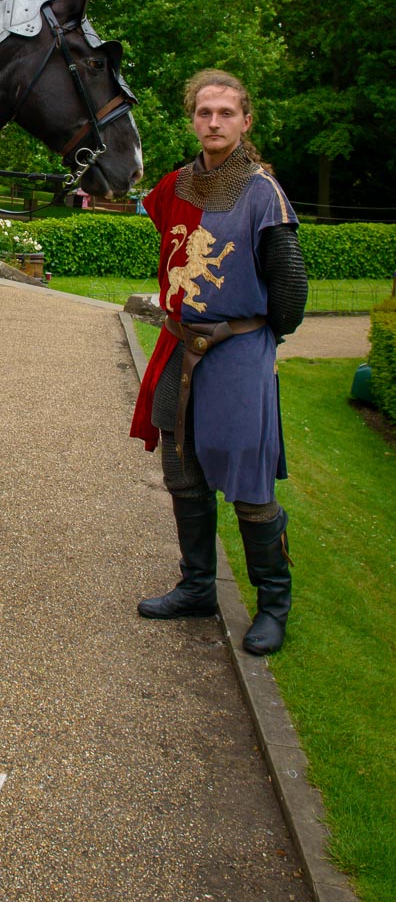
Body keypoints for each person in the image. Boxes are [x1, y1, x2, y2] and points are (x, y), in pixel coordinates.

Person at [130, 70, 308, 655]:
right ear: (193, 118)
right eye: (204, 112)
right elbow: (146, 210)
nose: (213, 122)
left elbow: (290, 291)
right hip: (180, 346)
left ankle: (272, 604)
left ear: (245, 121)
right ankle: (197, 587)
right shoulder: (178, 184)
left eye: (225, 113)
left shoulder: (262, 192)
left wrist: (254, 339)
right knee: (183, 473)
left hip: (237, 350)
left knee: (249, 480)